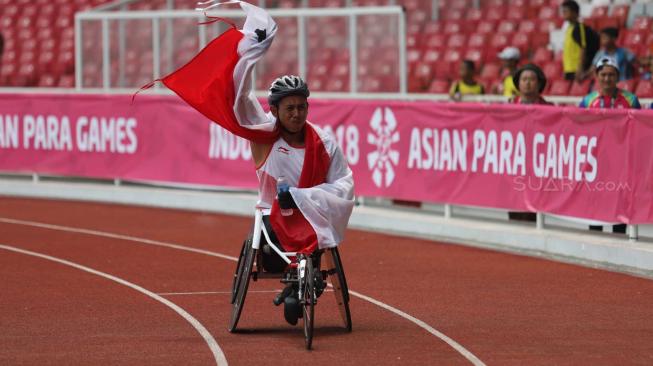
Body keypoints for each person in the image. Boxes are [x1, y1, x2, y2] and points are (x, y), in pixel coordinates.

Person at [158, 1, 355, 326]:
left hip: (311, 216)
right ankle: (296, 282)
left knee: (315, 236)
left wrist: (308, 198)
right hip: (271, 218)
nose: (296, 114)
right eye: (289, 108)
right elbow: (240, 96)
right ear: (275, 110)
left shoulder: (324, 142)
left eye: (301, 107)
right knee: (278, 252)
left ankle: (305, 283)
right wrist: (250, 52)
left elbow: (344, 184)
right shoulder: (262, 134)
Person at [579, 56, 641, 234]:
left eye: (611, 75)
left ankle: (620, 235)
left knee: (620, 200)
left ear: (618, 77)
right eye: (603, 74)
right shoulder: (587, 101)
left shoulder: (630, 100)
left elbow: (638, 128)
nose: (607, 79)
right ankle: (594, 235)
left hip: (622, 161)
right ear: (597, 76)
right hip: (596, 161)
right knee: (595, 200)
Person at [561, 0, 600, 81]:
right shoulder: (569, 28)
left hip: (576, 70)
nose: (563, 12)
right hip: (569, 69)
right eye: (563, 10)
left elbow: (583, 48)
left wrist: (580, 69)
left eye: (566, 10)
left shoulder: (579, 27)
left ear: (575, 13)